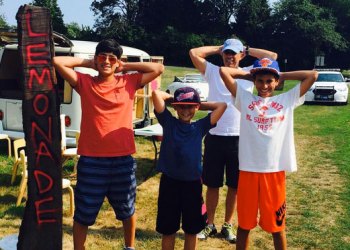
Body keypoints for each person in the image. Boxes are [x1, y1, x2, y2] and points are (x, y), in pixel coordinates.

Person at [53, 39, 164, 250]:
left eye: (111, 58)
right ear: (96, 59)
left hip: (122, 159)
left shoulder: (129, 82)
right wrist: (88, 63)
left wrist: (125, 65)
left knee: (127, 208)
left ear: (117, 62)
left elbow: (158, 68)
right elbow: (57, 61)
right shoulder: (85, 83)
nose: (106, 61)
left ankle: (129, 247)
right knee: (84, 212)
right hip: (92, 160)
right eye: (102, 57)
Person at [220, 58, 318, 249]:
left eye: (269, 81)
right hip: (248, 170)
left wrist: (281, 75)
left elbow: (312, 75)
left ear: (276, 82)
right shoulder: (245, 98)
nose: (264, 85)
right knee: (244, 225)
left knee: (277, 226)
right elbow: (224, 72)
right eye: (260, 81)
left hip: (274, 171)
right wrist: (250, 75)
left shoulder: (286, 100)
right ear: (254, 82)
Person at [189, 37, 278, 242]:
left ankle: (228, 224)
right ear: (222, 54)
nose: (230, 57)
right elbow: (194, 53)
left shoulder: (250, 73)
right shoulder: (212, 70)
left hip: (241, 137)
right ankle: (209, 224)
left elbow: (272, 57)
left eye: (233, 53)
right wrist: (220, 48)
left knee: (234, 185)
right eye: (227, 53)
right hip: (214, 135)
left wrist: (245, 48)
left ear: (241, 55)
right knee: (212, 184)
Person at [152, 87, 227, 250]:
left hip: (192, 186)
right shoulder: (168, 122)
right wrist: (176, 99)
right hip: (169, 184)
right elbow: (156, 94)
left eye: (190, 106)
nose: (185, 110)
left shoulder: (199, 127)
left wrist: (196, 102)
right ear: (175, 107)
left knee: (192, 230)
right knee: (168, 230)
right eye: (181, 106)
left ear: (197, 107)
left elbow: (222, 106)